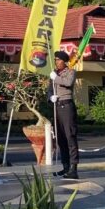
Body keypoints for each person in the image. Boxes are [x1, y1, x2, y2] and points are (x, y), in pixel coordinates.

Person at [48, 50, 79, 179]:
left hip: (67, 106)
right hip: (57, 106)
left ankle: (73, 168)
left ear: (64, 61)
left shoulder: (70, 72)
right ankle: (65, 166)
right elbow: (49, 90)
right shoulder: (54, 74)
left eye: (58, 60)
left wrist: (56, 78)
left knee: (70, 137)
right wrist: (50, 97)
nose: (56, 62)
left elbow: (68, 83)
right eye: (55, 60)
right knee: (60, 139)